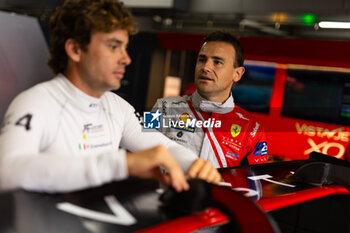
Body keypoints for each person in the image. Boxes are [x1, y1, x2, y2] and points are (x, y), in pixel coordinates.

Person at [0, 0, 221, 193]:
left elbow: (165, 148)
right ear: (75, 49)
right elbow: (7, 171)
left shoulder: (117, 107)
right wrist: (121, 164)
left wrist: (195, 165)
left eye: (125, 47)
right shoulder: (35, 102)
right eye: (113, 46)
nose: (126, 59)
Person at [153, 31, 268, 168]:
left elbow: (255, 184)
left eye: (217, 62)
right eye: (202, 60)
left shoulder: (253, 129)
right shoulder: (162, 107)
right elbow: (137, 156)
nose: (205, 67)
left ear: (237, 74)